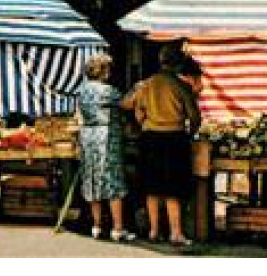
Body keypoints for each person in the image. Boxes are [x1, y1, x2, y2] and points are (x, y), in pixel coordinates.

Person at [127, 50, 200, 246]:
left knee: (152, 187)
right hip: (174, 139)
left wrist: (146, 121)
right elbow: (194, 117)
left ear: (161, 62)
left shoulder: (146, 84)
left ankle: (153, 231)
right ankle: (175, 233)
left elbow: (137, 112)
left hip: (150, 139)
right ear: (177, 65)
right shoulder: (181, 85)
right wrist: (191, 133)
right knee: (172, 188)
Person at [76, 54, 133, 243]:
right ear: (103, 71)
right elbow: (127, 104)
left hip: (88, 136)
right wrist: (137, 90)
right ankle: (118, 228)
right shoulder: (107, 91)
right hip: (106, 137)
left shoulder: (82, 91)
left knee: (92, 179)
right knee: (112, 180)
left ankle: (97, 226)